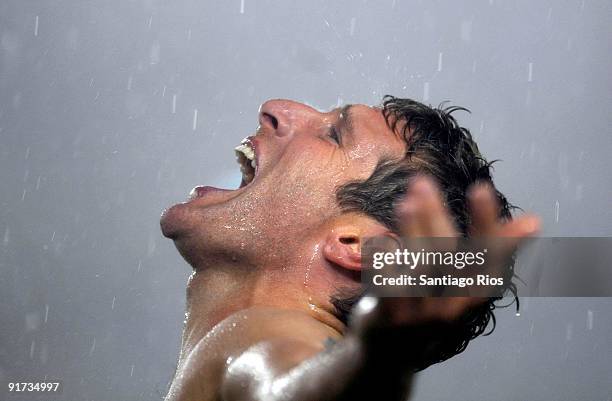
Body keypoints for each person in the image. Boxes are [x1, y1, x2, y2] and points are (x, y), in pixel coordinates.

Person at [160, 96, 540, 401]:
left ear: (355, 245)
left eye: (334, 135)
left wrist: (377, 358)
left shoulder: (267, 337)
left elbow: (287, 384)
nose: (276, 108)